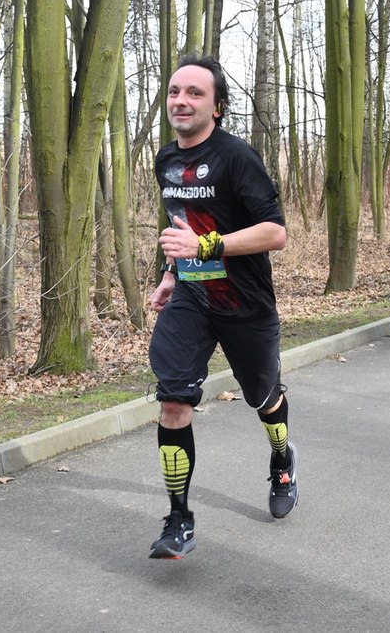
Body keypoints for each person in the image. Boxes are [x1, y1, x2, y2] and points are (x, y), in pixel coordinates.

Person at [146, 55, 296, 559]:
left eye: (195, 92)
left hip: (244, 303)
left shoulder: (236, 157)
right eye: (175, 91)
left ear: (217, 106)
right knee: (173, 402)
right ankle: (179, 520)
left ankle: (282, 460)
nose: (181, 100)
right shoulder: (166, 160)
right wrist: (171, 274)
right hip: (192, 298)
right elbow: (180, 226)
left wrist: (207, 246)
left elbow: (275, 232)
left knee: (263, 398)